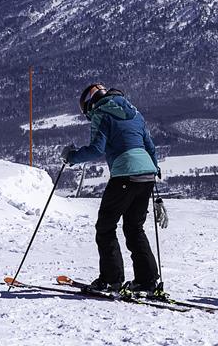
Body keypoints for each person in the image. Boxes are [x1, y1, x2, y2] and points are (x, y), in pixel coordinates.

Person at [62, 83, 162, 295]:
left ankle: (111, 280)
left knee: (106, 226)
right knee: (134, 228)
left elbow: (96, 149)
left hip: (125, 173)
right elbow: (150, 147)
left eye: (86, 110)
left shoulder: (101, 113)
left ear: (91, 103)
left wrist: (71, 157)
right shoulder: (136, 114)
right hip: (147, 174)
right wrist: (154, 170)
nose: (88, 115)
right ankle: (147, 281)